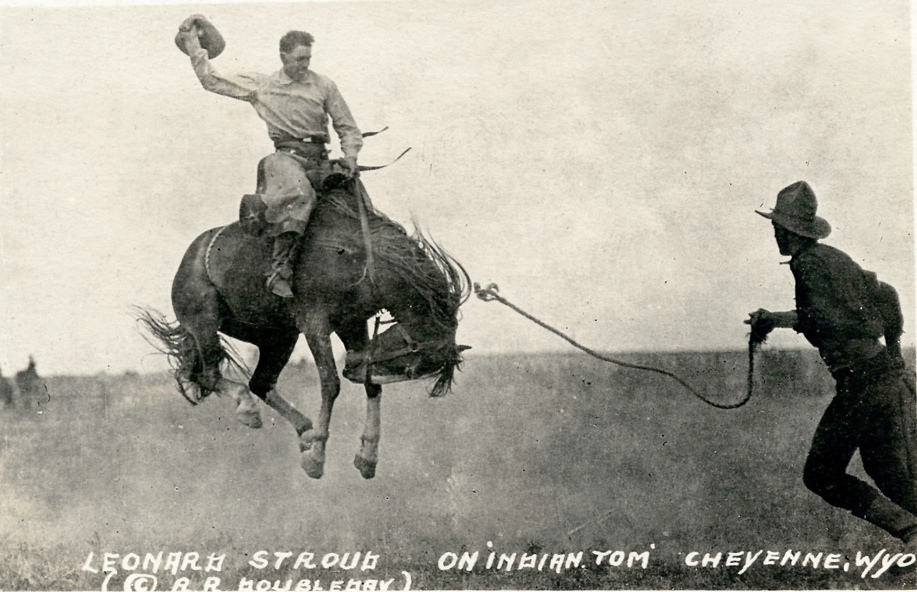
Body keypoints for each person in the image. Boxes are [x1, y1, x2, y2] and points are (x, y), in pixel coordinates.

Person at [747, 180, 917, 546]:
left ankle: (911, 532)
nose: (775, 233)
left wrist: (775, 319)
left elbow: (822, 317)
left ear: (791, 230)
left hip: (861, 383)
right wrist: (895, 351)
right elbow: (886, 294)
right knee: (891, 475)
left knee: (821, 474)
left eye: (778, 227)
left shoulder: (808, 264)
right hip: (882, 375)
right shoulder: (834, 258)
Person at [176, 17, 363, 298]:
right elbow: (211, 80)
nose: (304, 65)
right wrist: (193, 43)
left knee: (359, 202)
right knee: (299, 195)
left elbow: (347, 127)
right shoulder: (262, 86)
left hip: (321, 159)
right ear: (283, 56)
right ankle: (279, 271)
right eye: (299, 59)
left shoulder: (324, 86)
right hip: (285, 159)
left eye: (308, 59)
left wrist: (350, 156)